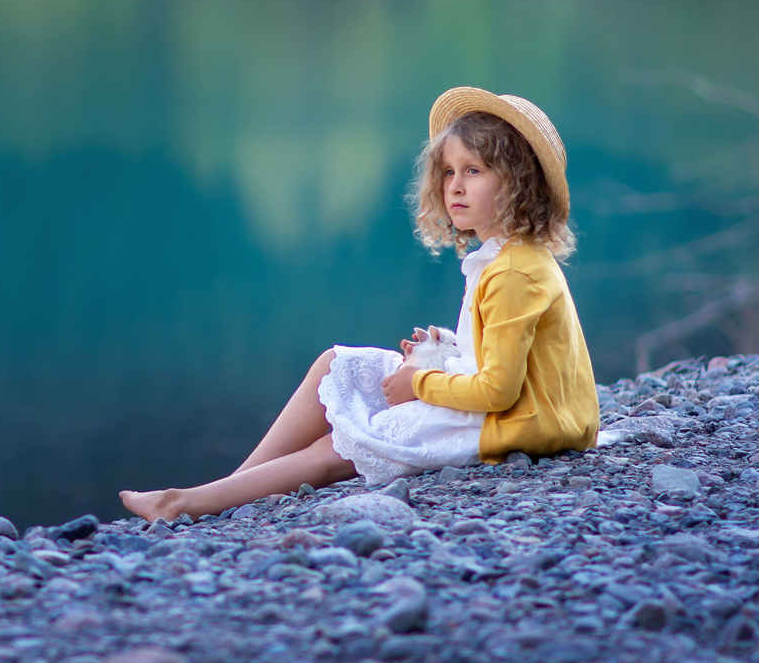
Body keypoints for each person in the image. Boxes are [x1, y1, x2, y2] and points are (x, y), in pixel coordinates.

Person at [118, 87, 600, 523]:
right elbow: (502, 358)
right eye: (449, 172)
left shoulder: (514, 271)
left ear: (519, 183)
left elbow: (498, 391)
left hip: (519, 426)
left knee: (338, 448)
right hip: (514, 409)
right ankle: (225, 489)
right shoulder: (504, 257)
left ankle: (182, 503)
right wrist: (443, 353)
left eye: (474, 171)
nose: (454, 186)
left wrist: (421, 382)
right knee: (336, 365)